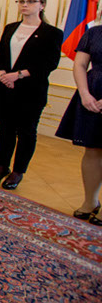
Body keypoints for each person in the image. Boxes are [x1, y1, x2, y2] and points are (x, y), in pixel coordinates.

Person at [0, 0, 63, 190]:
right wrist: (3, 74)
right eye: (21, 1)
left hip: (31, 90)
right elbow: (1, 56)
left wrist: (18, 75)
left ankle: (18, 171)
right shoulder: (11, 28)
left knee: (26, 131)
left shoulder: (52, 33)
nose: (25, 5)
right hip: (4, 87)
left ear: (42, 5)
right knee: (5, 129)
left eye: (30, 1)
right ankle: (2, 166)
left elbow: (49, 63)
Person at [57, 25, 102, 225]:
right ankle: (90, 201)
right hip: (91, 93)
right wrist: (84, 94)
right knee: (91, 149)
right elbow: (80, 64)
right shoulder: (94, 32)